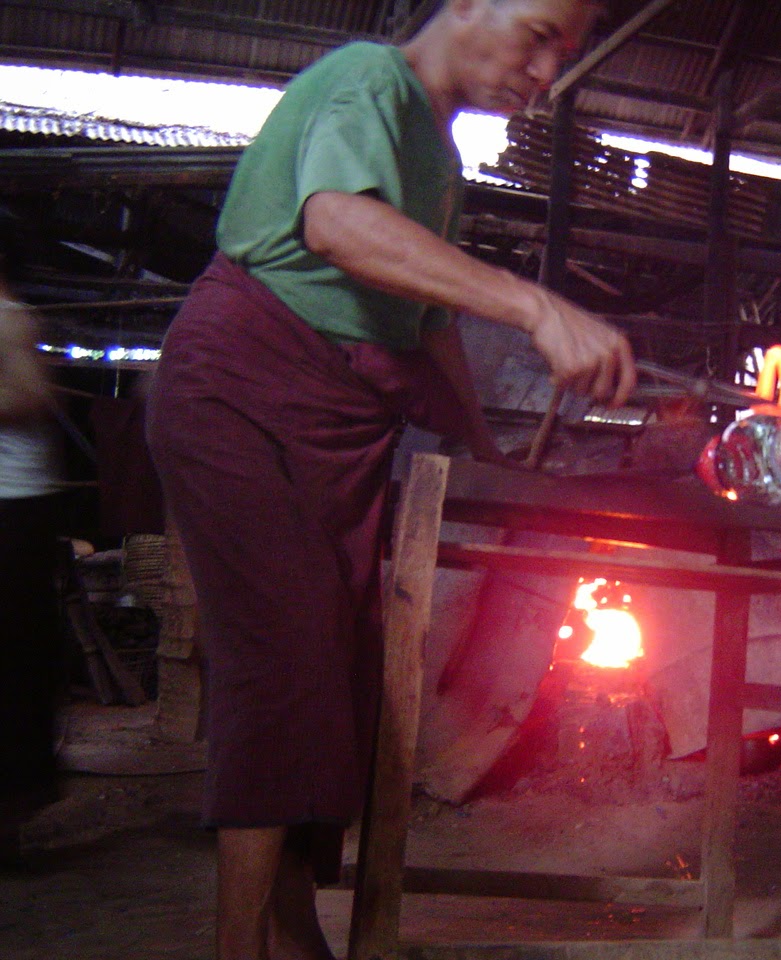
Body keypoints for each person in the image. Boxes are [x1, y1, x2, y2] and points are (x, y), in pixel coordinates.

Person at [143, 1, 635, 957]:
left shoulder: (439, 163)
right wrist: (535, 305)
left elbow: (427, 322)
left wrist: (486, 456)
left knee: (342, 673)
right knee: (286, 657)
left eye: (561, 57)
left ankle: (291, 927)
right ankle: (238, 946)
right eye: (537, 34)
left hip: (336, 433)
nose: (544, 74)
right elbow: (335, 224)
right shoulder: (369, 78)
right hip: (242, 399)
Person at [0, 284, 64, 865]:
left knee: (13, 660)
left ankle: (11, 818)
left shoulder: (9, 319)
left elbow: (30, 394)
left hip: (12, 507)